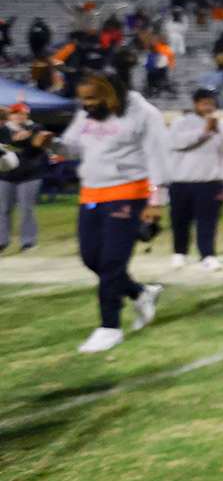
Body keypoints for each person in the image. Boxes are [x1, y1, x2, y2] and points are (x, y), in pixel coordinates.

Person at [50, 72, 169, 353]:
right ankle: (140, 293)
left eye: (92, 98)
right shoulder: (87, 114)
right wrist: (50, 144)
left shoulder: (144, 114)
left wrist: (157, 201)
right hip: (91, 193)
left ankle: (109, 327)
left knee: (112, 261)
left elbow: (159, 157)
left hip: (129, 192)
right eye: (83, 99)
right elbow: (72, 148)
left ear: (110, 95)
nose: (86, 104)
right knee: (92, 259)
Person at [166, 88, 223, 270]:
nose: (207, 107)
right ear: (196, 105)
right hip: (182, 180)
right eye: (204, 103)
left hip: (210, 181)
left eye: (210, 103)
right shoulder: (181, 123)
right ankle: (179, 253)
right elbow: (175, 143)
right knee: (179, 221)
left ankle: (208, 255)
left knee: (207, 221)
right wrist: (203, 132)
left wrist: (216, 130)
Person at [1, 101, 49, 251]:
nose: (18, 116)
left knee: (26, 208)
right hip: (6, 175)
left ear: (26, 114)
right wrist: (14, 142)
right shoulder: (3, 130)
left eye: (21, 113)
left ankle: (28, 241)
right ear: (9, 115)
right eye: (14, 113)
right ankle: (2, 241)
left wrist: (26, 142)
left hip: (29, 175)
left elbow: (39, 149)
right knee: (3, 210)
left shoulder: (36, 128)